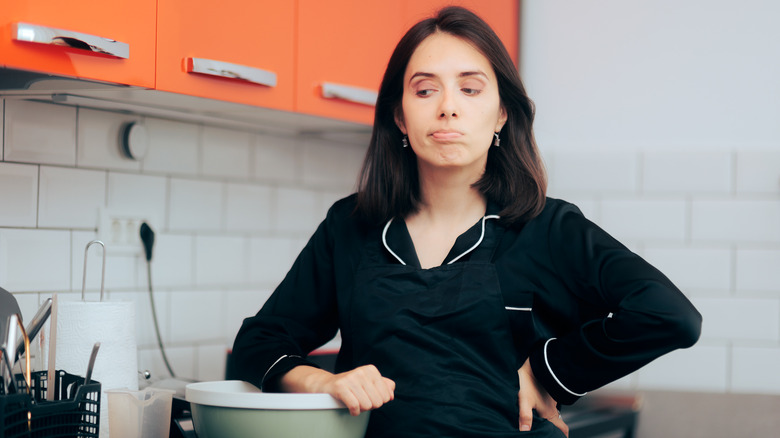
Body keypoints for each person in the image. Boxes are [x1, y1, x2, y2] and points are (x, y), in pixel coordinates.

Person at [229, 6, 702, 438]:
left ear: (500, 114)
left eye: (470, 88)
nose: (447, 106)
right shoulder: (351, 225)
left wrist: (547, 371)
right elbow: (258, 343)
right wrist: (321, 381)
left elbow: (668, 315)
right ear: (399, 115)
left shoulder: (547, 228)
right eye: (425, 89)